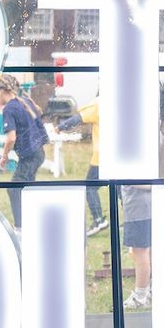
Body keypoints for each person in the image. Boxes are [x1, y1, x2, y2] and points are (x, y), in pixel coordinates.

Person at [0, 74, 50, 229]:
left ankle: (20, 227)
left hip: (30, 156)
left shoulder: (9, 109)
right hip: (37, 153)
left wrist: (4, 156)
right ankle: (33, 221)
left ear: (0, 92)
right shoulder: (24, 102)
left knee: (14, 189)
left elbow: (11, 138)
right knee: (28, 189)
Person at [57, 99, 108, 235]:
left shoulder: (98, 104)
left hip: (102, 157)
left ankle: (98, 220)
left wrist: (60, 127)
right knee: (122, 189)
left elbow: (77, 119)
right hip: (119, 156)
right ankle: (129, 221)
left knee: (90, 187)